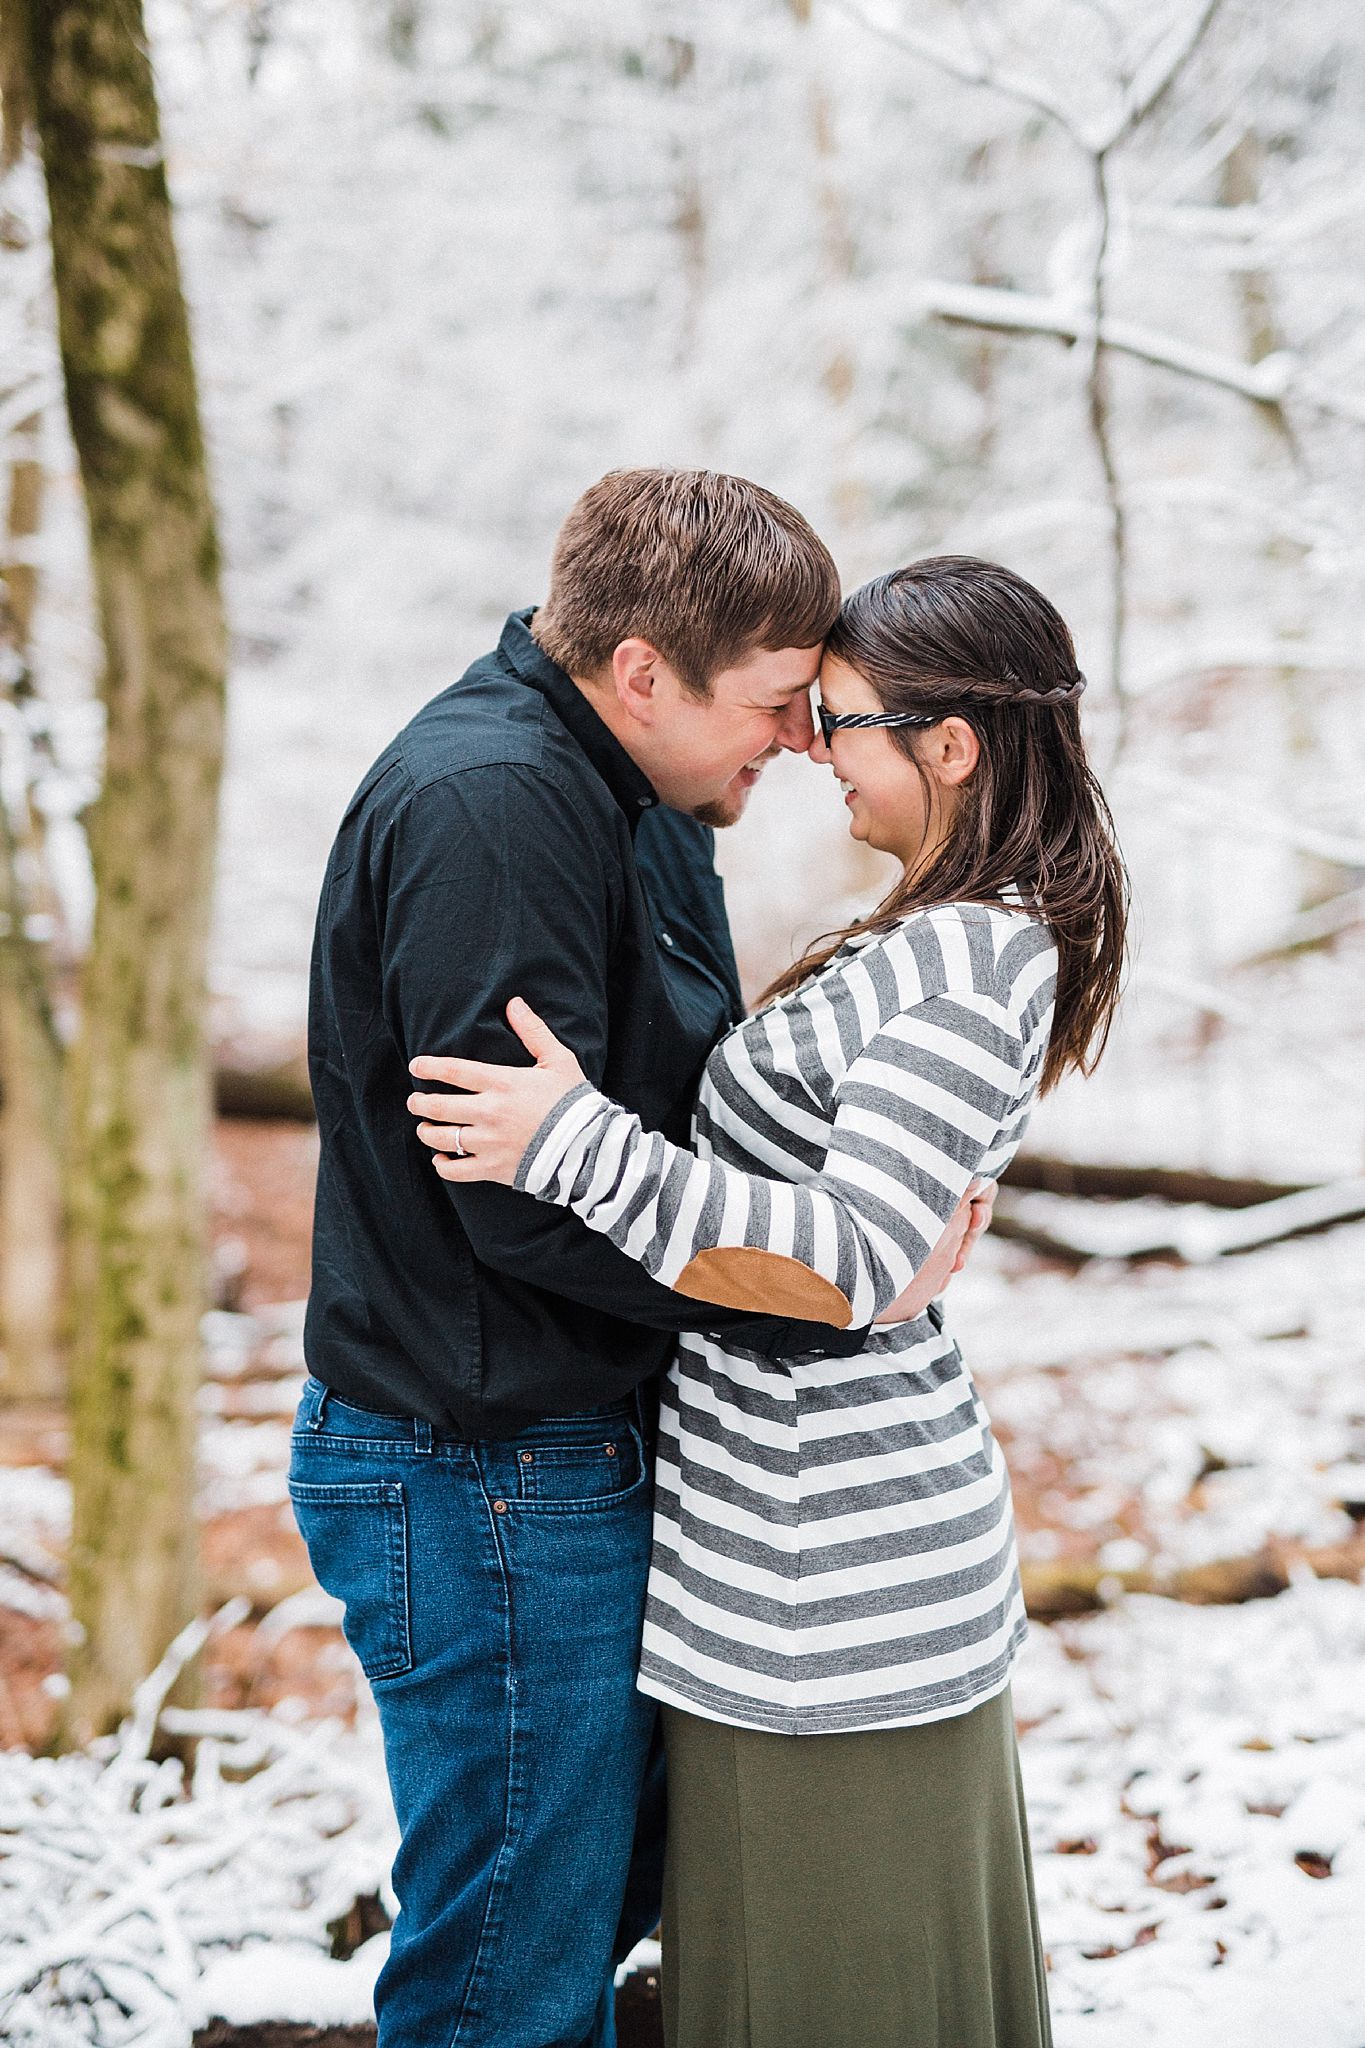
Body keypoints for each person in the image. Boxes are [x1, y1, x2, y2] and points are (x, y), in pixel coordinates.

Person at [291, 470, 988, 2048]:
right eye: (779, 701)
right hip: (478, 1472)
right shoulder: (494, 810)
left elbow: (661, 1123)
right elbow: (524, 1199)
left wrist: (838, 1216)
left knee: (577, 1927)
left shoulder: (646, 792)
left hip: (566, 1456)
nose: (805, 743)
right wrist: (820, 1298)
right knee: (507, 1982)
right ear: (640, 673)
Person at [406, 554, 1129, 2048]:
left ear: (951, 747)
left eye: (842, 719)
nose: (810, 749)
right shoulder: (927, 933)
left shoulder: (973, 953)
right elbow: (858, 1238)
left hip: (835, 1589)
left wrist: (576, 1147)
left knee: (836, 1999)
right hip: (776, 1567)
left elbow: (852, 1259)